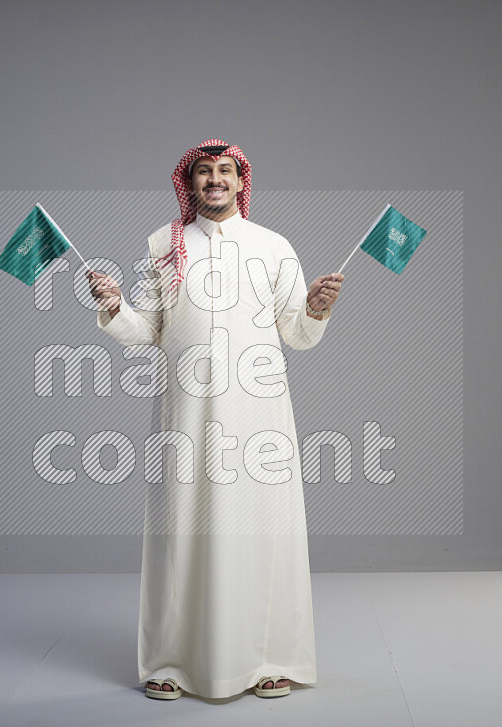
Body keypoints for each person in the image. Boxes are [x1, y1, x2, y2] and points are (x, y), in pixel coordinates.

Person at [86, 139, 344, 700]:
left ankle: (269, 658)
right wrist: (112, 308)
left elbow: (297, 334)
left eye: (224, 172)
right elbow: (145, 329)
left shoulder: (274, 247)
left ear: (240, 181)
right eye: (204, 173)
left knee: (263, 531)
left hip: (259, 416)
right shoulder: (163, 244)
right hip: (187, 412)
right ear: (190, 184)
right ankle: (173, 664)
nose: (214, 181)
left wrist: (317, 307)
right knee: (181, 532)